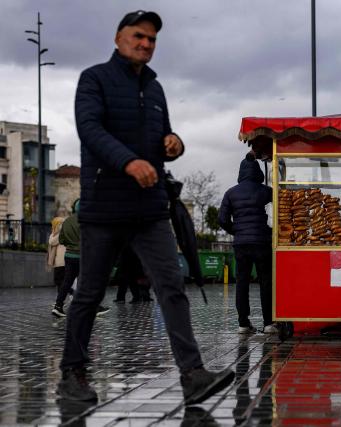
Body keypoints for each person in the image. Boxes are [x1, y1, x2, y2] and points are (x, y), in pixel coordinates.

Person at [57, 10, 234, 403]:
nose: (146, 44)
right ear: (119, 37)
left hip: (150, 210)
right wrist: (127, 162)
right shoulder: (94, 79)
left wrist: (175, 143)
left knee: (172, 287)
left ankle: (193, 376)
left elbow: (163, 139)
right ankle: (72, 374)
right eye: (139, 36)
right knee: (89, 292)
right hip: (104, 208)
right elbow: (90, 130)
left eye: (152, 39)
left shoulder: (155, 89)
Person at [218, 152, 276, 334]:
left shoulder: (231, 192)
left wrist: (236, 230)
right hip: (262, 242)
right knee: (266, 281)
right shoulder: (265, 191)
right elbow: (281, 203)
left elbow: (222, 219)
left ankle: (243, 323)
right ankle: (269, 323)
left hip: (241, 244)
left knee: (242, 282)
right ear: (257, 172)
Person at [52, 200, 110, 318]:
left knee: (67, 282)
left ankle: (58, 306)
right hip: (83, 256)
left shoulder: (67, 221)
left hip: (69, 256)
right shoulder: (87, 221)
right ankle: (94, 308)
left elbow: (61, 240)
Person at [47, 217, 67, 293]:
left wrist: (60, 232)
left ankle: (70, 294)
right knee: (58, 282)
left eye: (62, 224)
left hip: (63, 262)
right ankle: (60, 300)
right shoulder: (54, 234)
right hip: (58, 262)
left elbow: (52, 242)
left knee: (61, 281)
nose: (62, 225)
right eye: (60, 224)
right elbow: (51, 242)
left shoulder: (62, 234)